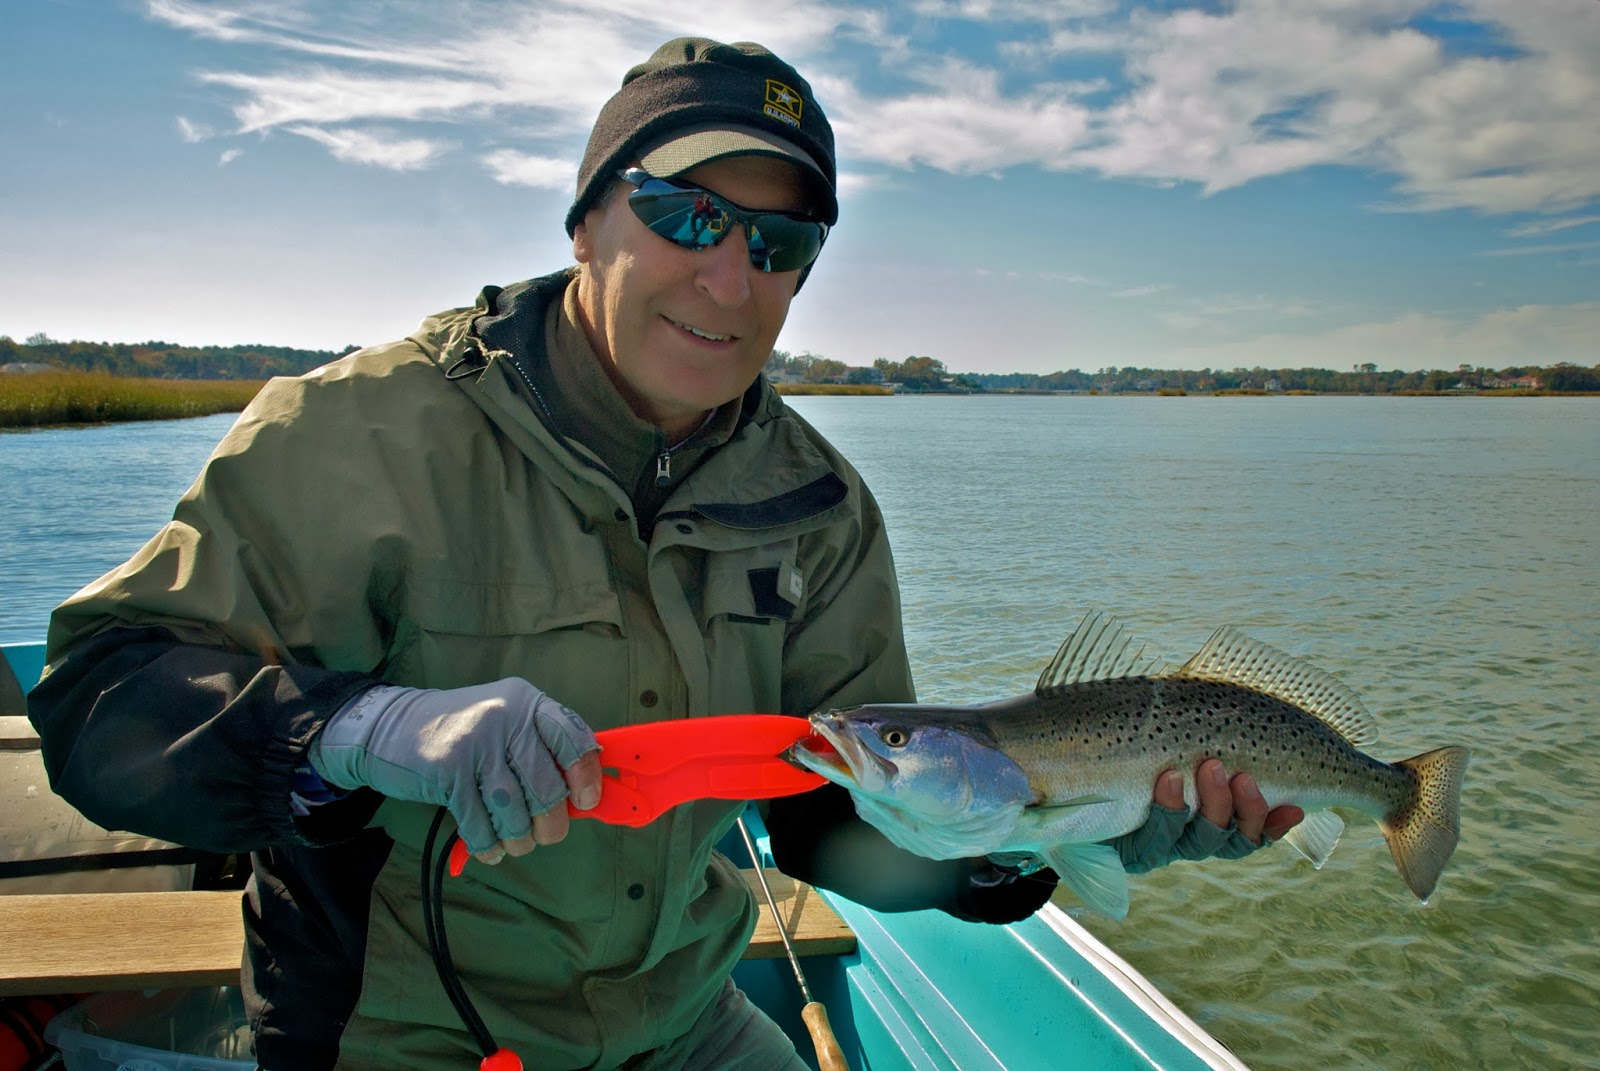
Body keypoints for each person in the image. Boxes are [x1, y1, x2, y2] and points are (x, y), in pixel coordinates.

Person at [28, 37, 1300, 1071]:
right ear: (589, 222)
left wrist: (1041, 844)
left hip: (681, 1025)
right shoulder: (355, 432)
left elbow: (829, 833)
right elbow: (99, 703)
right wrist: (356, 731)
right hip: (394, 1037)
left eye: (778, 244)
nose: (730, 277)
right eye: (685, 214)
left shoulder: (818, 505)